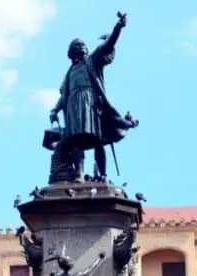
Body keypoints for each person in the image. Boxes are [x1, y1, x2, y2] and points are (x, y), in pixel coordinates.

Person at [48, 12, 139, 181]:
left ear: (84, 52)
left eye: (80, 49)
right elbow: (64, 95)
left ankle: (103, 174)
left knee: (97, 140)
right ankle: (79, 174)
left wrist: (118, 27)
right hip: (74, 107)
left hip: (90, 104)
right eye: (75, 50)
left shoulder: (92, 62)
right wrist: (55, 109)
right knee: (76, 141)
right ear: (71, 54)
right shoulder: (69, 74)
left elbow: (108, 44)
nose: (78, 53)